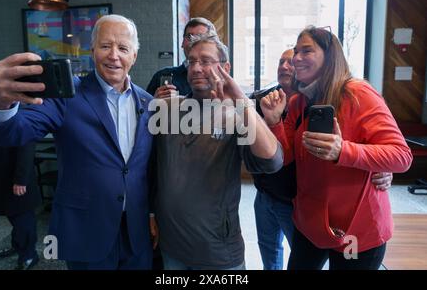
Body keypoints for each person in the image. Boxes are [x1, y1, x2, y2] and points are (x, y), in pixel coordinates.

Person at [0, 15, 157, 270]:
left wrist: (151, 213)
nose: (114, 55)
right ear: (92, 50)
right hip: (87, 231)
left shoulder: (148, 103)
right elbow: (12, 132)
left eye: (123, 48)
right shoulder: (66, 96)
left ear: (134, 56)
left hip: (135, 232)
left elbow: (148, 168)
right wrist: (0, 103)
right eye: (106, 46)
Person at [261, 26, 412, 270]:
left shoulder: (357, 93)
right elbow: (285, 157)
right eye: (296, 51)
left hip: (356, 232)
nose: (296, 58)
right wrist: (274, 121)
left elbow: (401, 156)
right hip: (310, 225)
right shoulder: (299, 101)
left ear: (330, 56)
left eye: (306, 51)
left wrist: (343, 151)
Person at [152, 34, 283, 270]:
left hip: (217, 252)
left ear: (225, 68)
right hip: (171, 246)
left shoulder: (237, 113)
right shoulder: (168, 108)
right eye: (191, 61)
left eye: (205, 61)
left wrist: (240, 100)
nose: (196, 68)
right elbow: (151, 167)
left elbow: (272, 160)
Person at [0, 70, 41, 270]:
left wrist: (21, 180)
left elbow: (26, 147)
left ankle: (30, 255)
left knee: (23, 217)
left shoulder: (21, 111)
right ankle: (18, 246)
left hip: (17, 178)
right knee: (13, 217)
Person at [146, 17, 217, 99]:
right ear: (182, 42)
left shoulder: (220, 79)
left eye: (199, 36)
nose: (193, 41)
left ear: (213, 44)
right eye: (189, 36)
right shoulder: (162, 75)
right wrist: (153, 102)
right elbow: (142, 110)